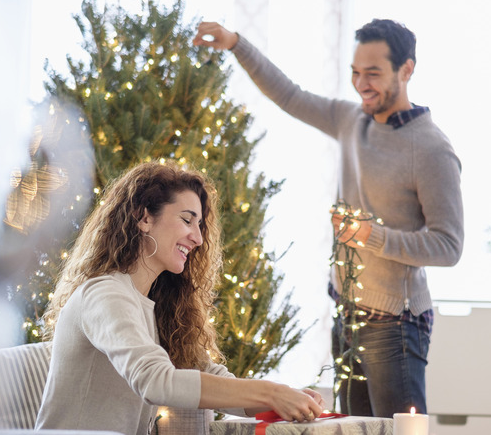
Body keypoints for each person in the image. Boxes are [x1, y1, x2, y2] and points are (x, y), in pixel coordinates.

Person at [193, 19, 464, 418]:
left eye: (373, 73)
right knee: (353, 430)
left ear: (407, 70)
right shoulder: (351, 121)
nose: (361, 83)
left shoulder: (431, 149)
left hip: (395, 326)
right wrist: (236, 44)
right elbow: (289, 95)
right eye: (355, 72)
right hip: (349, 315)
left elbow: (448, 245)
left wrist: (374, 236)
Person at [35, 161, 324, 435]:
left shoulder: (157, 306)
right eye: (187, 220)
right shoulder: (105, 293)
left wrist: (286, 397)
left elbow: (212, 378)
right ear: (144, 218)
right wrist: (271, 393)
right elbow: (156, 381)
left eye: (200, 226)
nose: (198, 239)